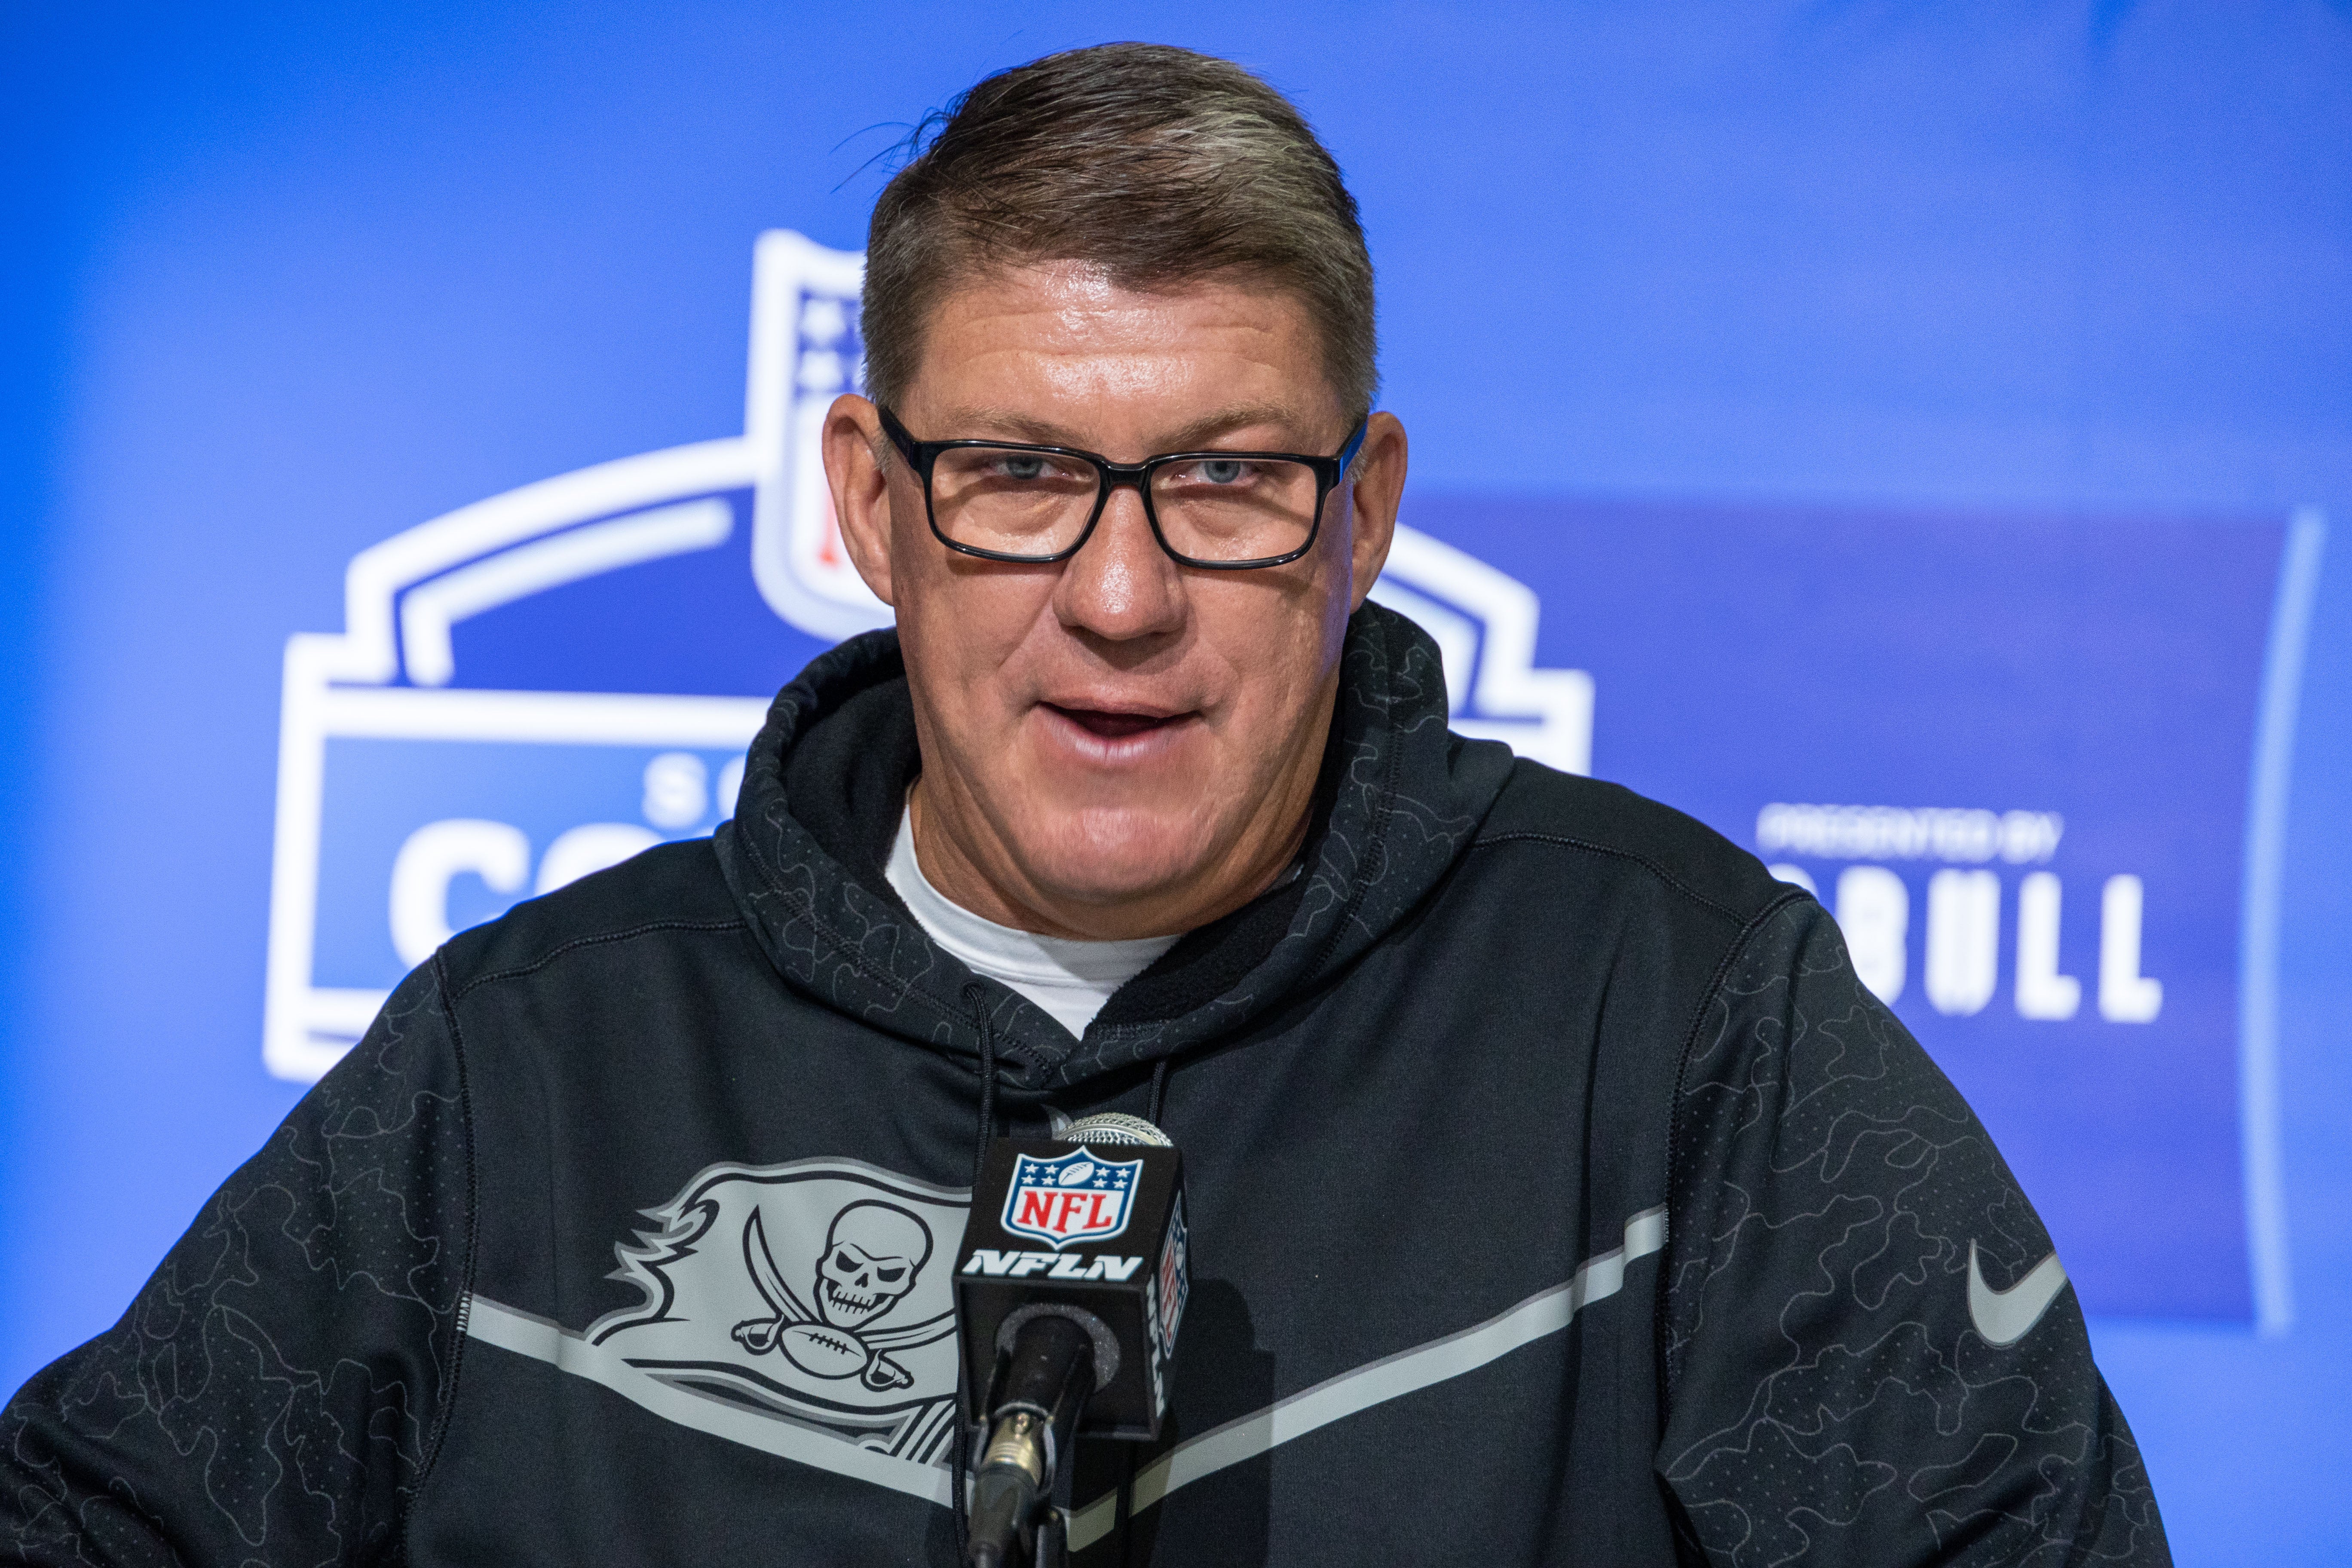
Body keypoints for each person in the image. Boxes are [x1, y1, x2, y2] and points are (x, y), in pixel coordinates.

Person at [1, 42, 2168, 1567]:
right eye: (1023, 475)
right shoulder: (529, 1054)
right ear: (871, 503)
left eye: (1227, 477)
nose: (1121, 598)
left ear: (1364, 516)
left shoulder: (1684, 1022)